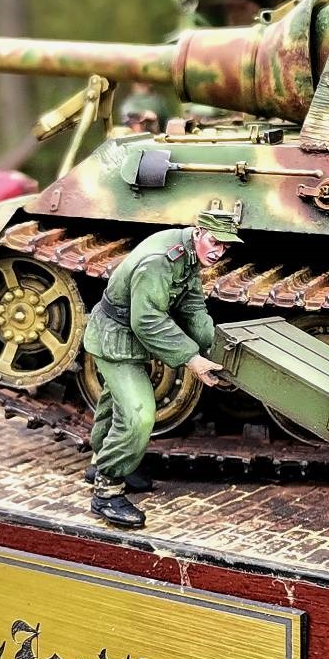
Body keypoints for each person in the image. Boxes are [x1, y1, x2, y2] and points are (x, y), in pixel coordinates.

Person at [81, 211, 236, 528]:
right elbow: (147, 320)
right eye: (214, 241)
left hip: (131, 337)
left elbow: (192, 307)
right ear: (198, 232)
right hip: (115, 339)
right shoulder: (161, 261)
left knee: (115, 402)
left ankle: (101, 460)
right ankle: (107, 492)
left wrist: (216, 347)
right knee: (138, 414)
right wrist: (192, 359)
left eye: (225, 246)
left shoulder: (188, 254)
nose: (218, 251)